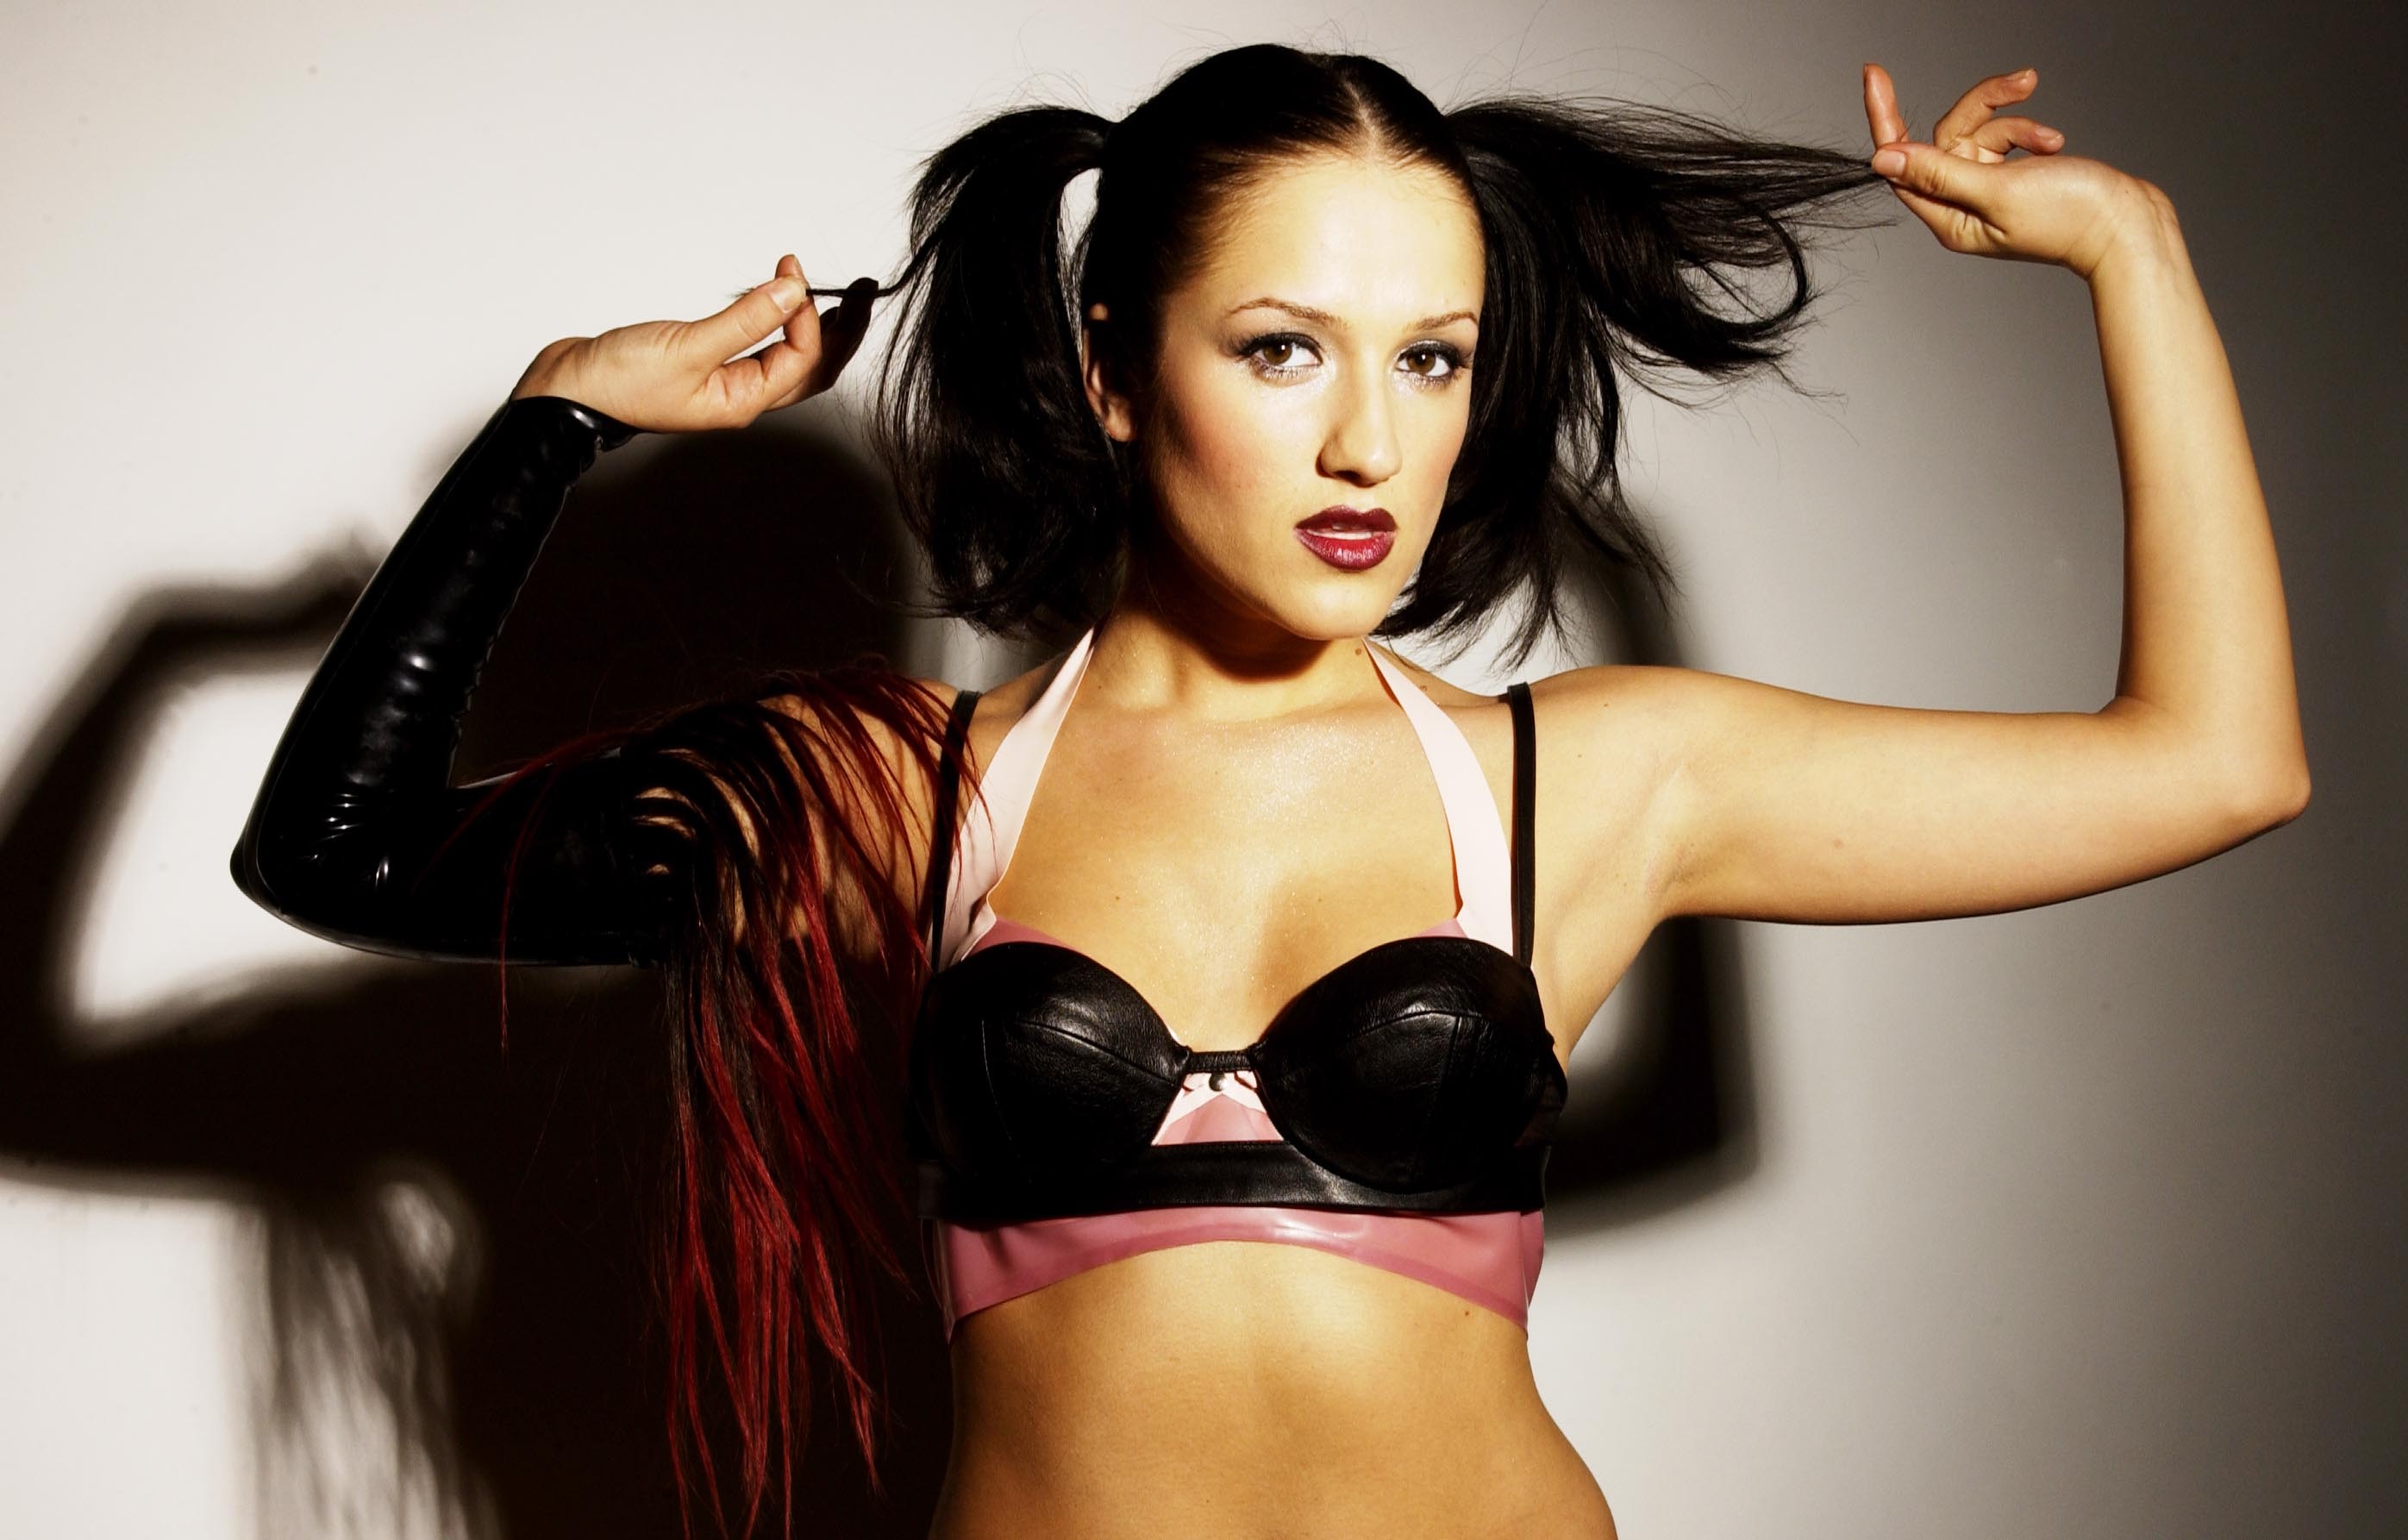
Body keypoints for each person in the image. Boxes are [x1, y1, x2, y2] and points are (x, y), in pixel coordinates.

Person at [228, 41, 2309, 1540]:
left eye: (1431, 357)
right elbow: (340, 845)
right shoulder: (905, 799)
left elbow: (2211, 762)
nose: (1368, 448)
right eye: (1283, 349)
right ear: (1112, 371)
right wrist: (552, 424)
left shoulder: (1581, 780)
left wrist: (2128, 254)